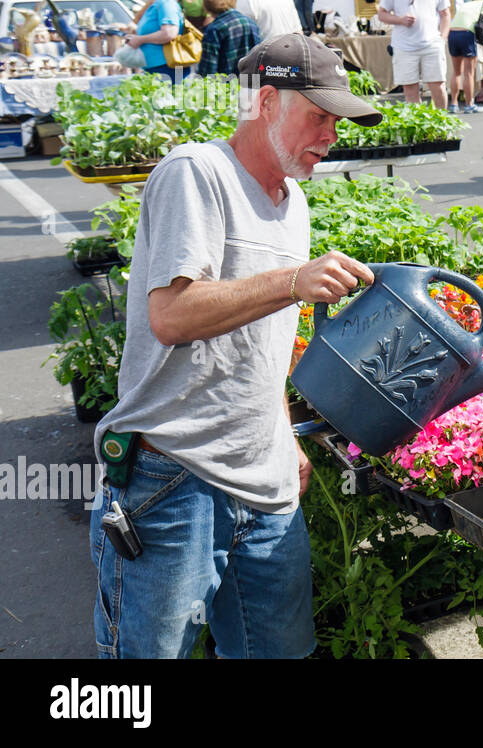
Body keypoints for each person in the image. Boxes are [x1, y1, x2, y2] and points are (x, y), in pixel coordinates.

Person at [90, 33, 384, 659]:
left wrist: (281, 434)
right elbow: (171, 315)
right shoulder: (198, 173)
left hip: (265, 479)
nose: (332, 133)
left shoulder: (293, 201)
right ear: (268, 102)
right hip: (174, 477)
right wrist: (291, 281)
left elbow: (261, 343)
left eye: (338, 120)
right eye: (321, 115)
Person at [377, 0, 452, 109]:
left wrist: (442, 39)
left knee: (437, 86)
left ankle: (442, 124)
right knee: (410, 89)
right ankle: (419, 126)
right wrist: (399, 20)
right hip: (404, 46)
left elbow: (445, 13)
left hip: (431, 44)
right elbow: (382, 14)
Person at [124, 0, 183, 78]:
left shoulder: (165, 3)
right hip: (156, 66)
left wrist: (140, 40)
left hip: (166, 66)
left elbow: (169, 33)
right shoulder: (156, 3)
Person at [197, 0, 261, 77]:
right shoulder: (250, 22)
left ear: (208, 7)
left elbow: (208, 68)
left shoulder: (214, 29)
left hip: (227, 84)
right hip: (251, 81)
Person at [447, 0, 483, 113]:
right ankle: (469, 104)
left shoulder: (466, 5)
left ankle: (454, 104)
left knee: (456, 72)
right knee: (469, 73)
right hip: (467, 34)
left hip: (453, 32)